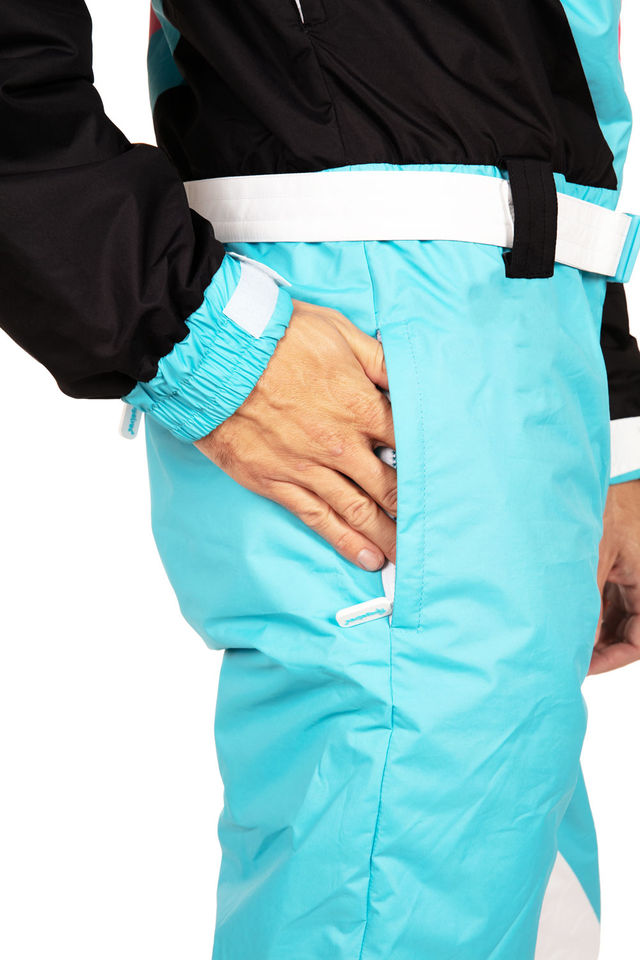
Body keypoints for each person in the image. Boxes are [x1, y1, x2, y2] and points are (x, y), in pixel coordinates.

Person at [1, 1, 640, 957]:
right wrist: (181, 322)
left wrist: (613, 411)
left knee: (518, 908)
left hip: (538, 346)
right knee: (400, 902)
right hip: (373, 333)